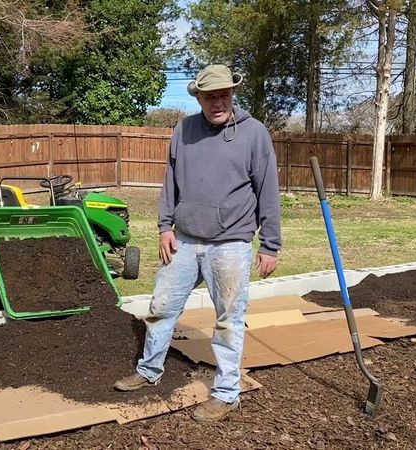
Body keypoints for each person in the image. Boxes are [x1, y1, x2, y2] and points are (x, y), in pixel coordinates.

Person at [114, 64, 281, 422]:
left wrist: (270, 244)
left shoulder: (254, 134)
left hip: (231, 243)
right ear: (199, 98)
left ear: (233, 94)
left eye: (223, 95)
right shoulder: (184, 130)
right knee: (161, 308)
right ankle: (149, 371)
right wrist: (164, 227)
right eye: (209, 96)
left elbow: (268, 190)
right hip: (185, 240)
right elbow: (170, 181)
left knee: (228, 321)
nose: (217, 102)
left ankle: (226, 393)